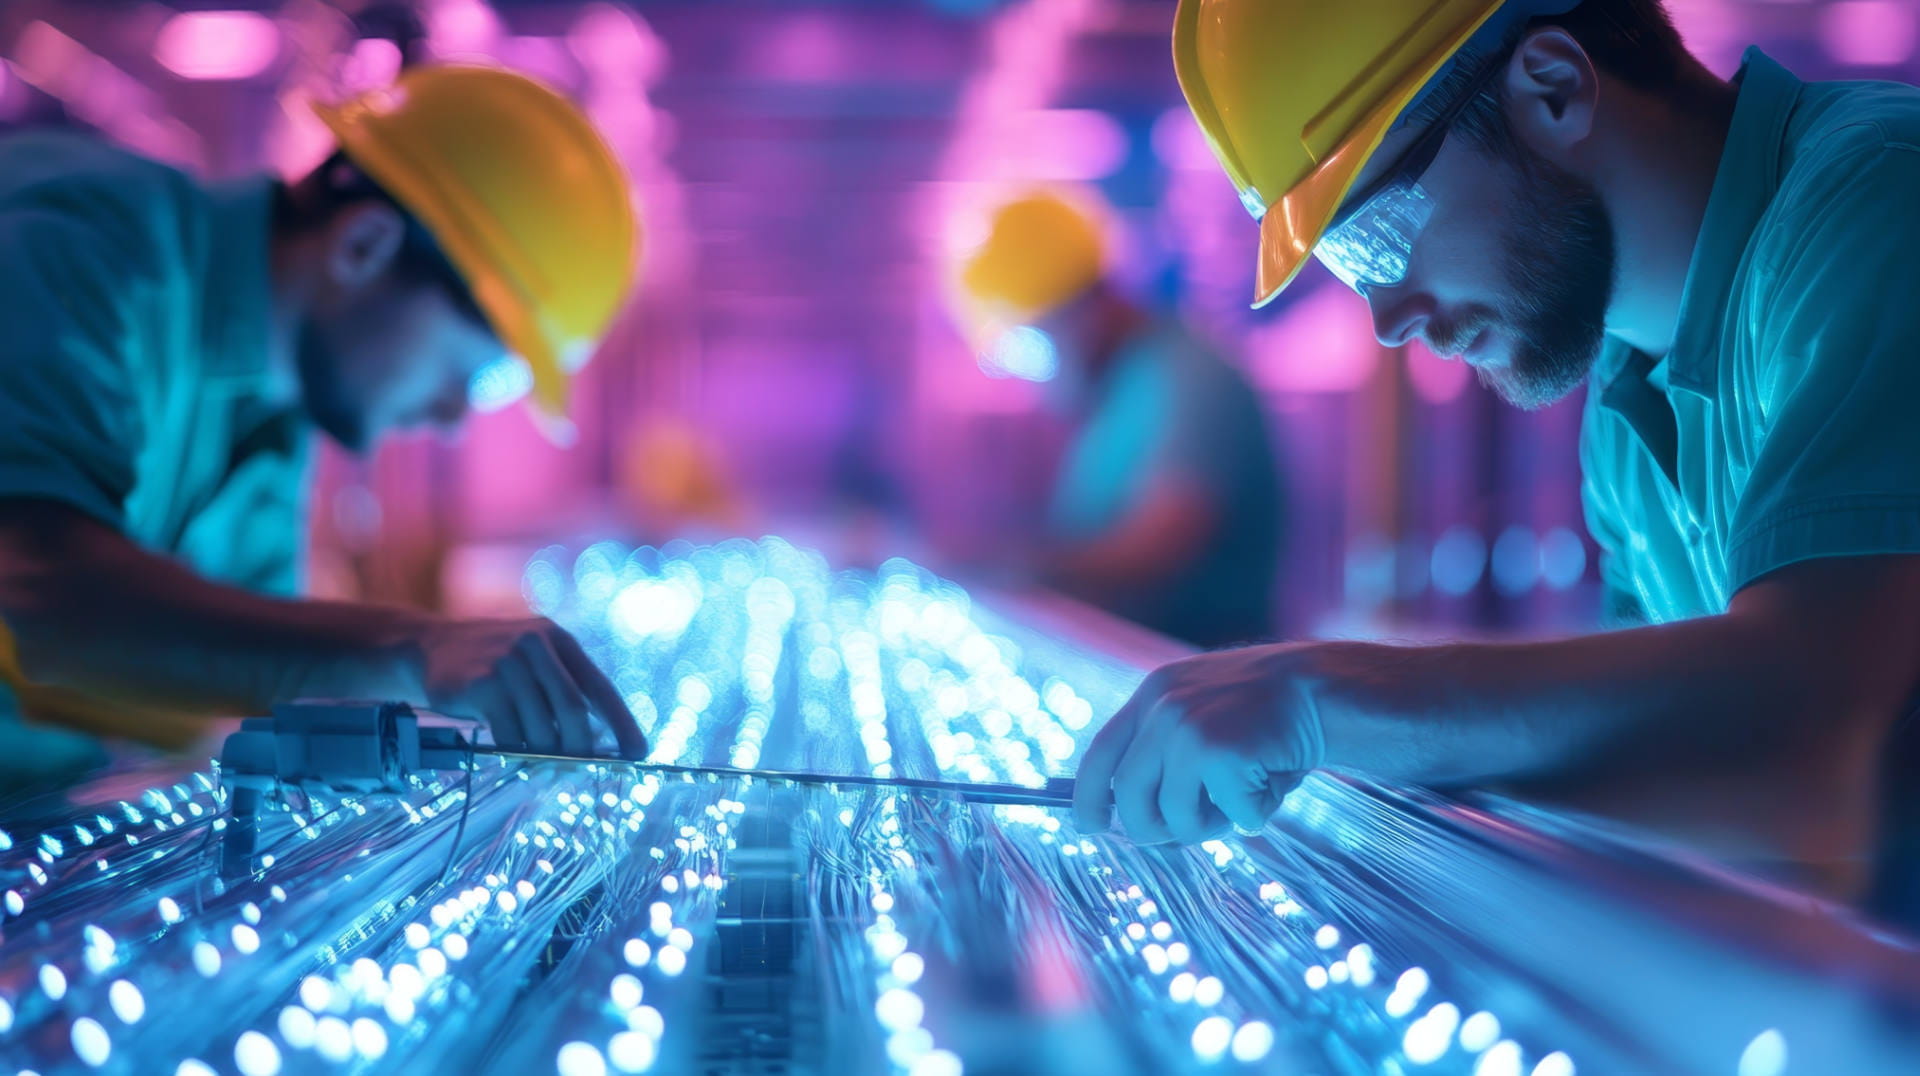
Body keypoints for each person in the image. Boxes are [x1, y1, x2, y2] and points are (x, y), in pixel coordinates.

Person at [1075, 0, 1920, 904]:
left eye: (1377, 238)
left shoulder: (1880, 199)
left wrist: (1333, 699)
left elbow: (1834, 751)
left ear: (1554, 89)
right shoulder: (1626, 405)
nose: (1389, 319)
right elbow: (1671, 767)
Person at [0, 64, 649, 788]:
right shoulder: (88, 248)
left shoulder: (270, 426)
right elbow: (46, 595)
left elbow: (233, 682)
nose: (453, 416)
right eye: (478, 375)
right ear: (363, 244)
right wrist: (417, 648)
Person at [956, 189, 1283, 648]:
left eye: (1033, 347)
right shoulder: (1117, 399)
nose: (1033, 377)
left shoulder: (1190, 376)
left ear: (1088, 306)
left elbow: (1157, 548)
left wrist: (987, 561)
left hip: (1207, 685)